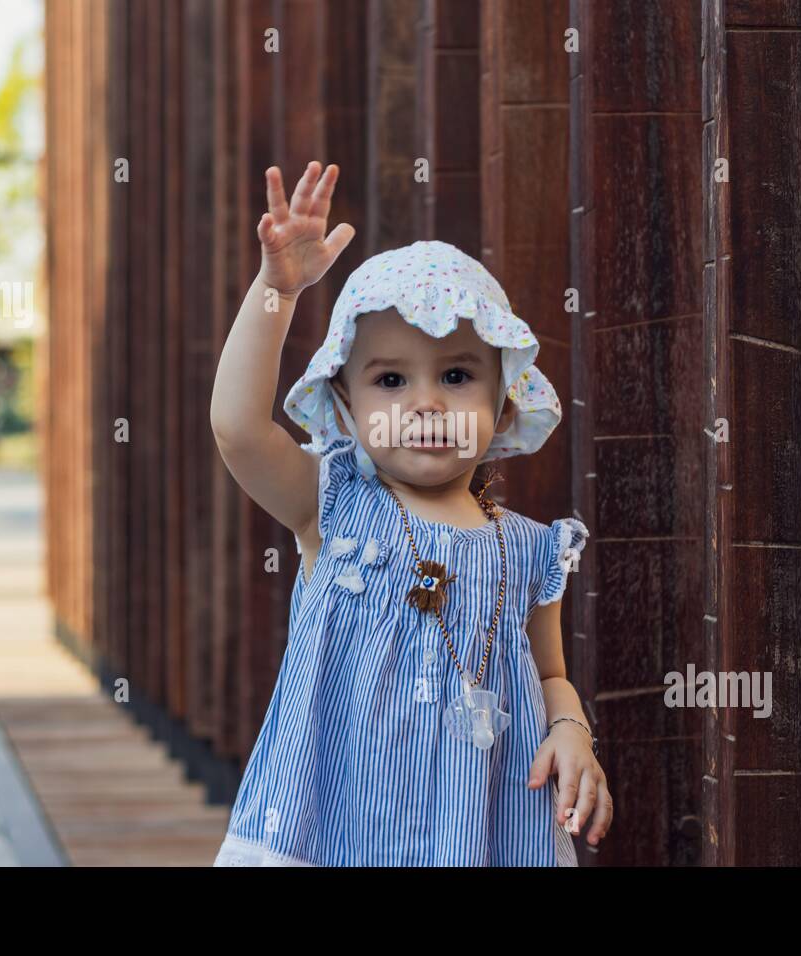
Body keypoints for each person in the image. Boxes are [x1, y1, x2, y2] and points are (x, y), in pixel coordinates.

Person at [209, 160, 612, 865]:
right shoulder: (332, 507)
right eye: (390, 380)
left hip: (482, 830)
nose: (425, 403)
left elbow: (549, 672)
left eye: (456, 376)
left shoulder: (528, 550)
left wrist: (571, 729)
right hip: (340, 826)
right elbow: (238, 428)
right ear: (345, 406)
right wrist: (278, 290)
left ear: (504, 401)